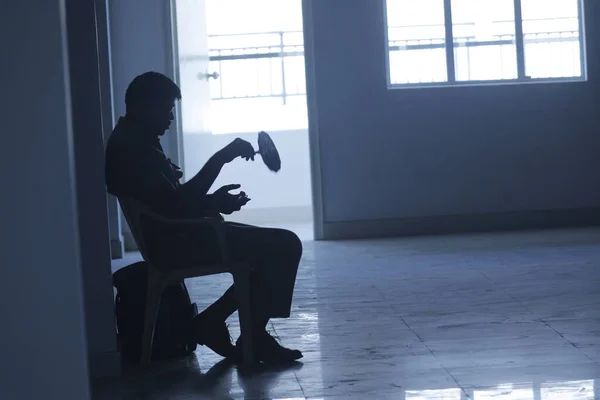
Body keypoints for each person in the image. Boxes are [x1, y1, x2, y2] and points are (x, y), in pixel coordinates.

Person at [105, 71, 303, 363]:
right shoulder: (134, 150)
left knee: (273, 246)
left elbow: (169, 202)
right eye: (166, 109)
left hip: (179, 234)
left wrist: (214, 201)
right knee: (284, 245)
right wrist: (221, 159)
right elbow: (176, 206)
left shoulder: (134, 140)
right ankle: (250, 336)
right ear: (144, 106)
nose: (171, 118)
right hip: (177, 243)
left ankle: (222, 325)